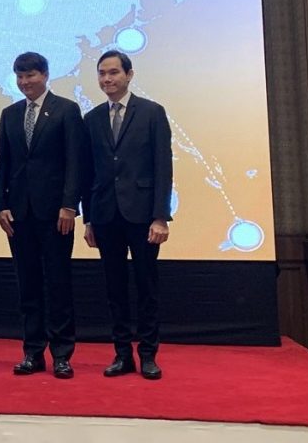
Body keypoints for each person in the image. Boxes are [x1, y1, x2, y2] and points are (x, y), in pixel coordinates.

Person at [0, 52, 87, 379]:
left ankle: (62, 354)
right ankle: (32, 352)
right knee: (28, 285)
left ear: (45, 75)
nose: (25, 82)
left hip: (55, 213)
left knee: (58, 283)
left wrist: (70, 205)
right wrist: (0, 205)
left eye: (30, 75)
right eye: (20, 76)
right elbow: (3, 162)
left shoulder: (66, 110)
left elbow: (75, 161)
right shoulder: (10, 114)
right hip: (19, 214)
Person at [83, 50, 172, 380]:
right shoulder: (91, 118)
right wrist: (88, 218)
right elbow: (87, 172)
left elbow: (163, 167)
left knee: (146, 286)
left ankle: (148, 354)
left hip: (143, 214)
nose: (107, 79)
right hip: (105, 215)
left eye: (113, 72)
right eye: (102, 73)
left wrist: (160, 216)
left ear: (129, 74)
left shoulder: (151, 112)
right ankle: (122, 354)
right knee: (114, 288)